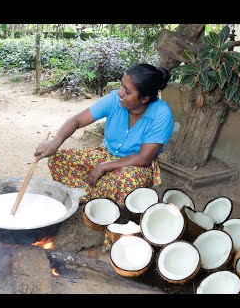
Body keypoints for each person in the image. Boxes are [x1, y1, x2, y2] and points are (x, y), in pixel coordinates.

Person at [34, 63, 174, 207]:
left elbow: (144, 158)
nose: (120, 93)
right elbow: (77, 120)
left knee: (127, 181)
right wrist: (55, 143)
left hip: (134, 166)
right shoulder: (114, 99)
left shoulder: (161, 114)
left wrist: (103, 167)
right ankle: (102, 196)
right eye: (121, 86)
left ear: (144, 98)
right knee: (57, 159)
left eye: (127, 92)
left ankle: (92, 195)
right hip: (104, 155)